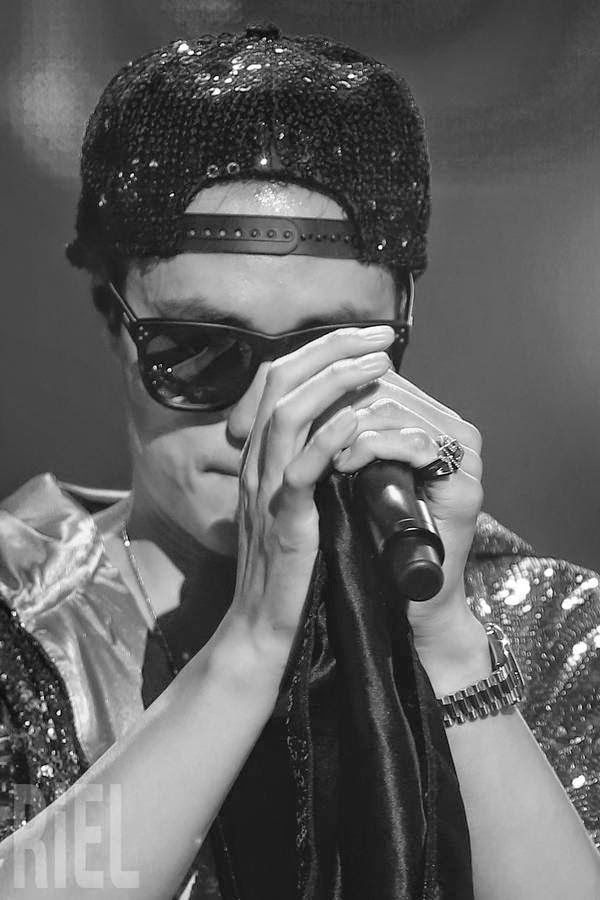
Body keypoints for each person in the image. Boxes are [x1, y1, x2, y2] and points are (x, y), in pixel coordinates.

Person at [0, 22, 599, 900]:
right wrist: (252, 644)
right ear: (110, 320)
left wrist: (449, 649)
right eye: (201, 352)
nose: (264, 418)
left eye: (324, 357)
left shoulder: (539, 622)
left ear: (399, 334)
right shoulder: (19, 619)